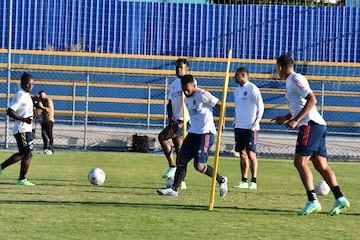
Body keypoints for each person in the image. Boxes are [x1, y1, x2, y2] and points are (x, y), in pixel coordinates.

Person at [272, 55, 350, 215]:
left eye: (277, 68)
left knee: (300, 162)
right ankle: (340, 198)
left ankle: (312, 200)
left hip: (310, 125)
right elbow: (299, 104)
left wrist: (296, 120)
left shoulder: (294, 78)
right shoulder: (292, 81)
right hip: (316, 125)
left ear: (279, 67)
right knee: (321, 165)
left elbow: (312, 100)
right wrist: (287, 117)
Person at [157, 74, 228, 197]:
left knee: (199, 166)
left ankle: (221, 180)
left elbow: (221, 105)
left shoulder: (202, 94)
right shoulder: (186, 99)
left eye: (188, 89)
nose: (185, 91)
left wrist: (221, 121)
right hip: (193, 133)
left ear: (194, 85)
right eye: (183, 89)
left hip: (206, 133)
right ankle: (174, 189)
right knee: (181, 160)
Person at [158, 58, 190, 189]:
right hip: (175, 119)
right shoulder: (173, 84)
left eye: (180, 67)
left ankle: (172, 166)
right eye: (176, 67)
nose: (178, 69)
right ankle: (181, 180)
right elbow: (170, 103)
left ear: (186, 69)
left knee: (162, 137)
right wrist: (170, 117)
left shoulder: (189, 81)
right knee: (179, 148)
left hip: (184, 120)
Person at [0, 72, 36, 185]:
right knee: (28, 154)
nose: (30, 86)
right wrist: (24, 120)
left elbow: (25, 110)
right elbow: (10, 111)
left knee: (22, 154)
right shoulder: (20, 94)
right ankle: (21, 179)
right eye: (28, 84)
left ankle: (1, 167)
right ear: (22, 83)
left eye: (32, 84)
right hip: (22, 129)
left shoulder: (26, 95)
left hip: (26, 128)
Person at [232, 67, 264, 190]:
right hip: (239, 126)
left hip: (250, 127)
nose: (235, 77)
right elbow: (238, 107)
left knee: (251, 154)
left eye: (238, 75)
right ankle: (244, 180)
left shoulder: (252, 88)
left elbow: (260, 106)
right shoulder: (237, 90)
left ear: (244, 75)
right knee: (242, 154)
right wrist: (235, 121)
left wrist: (256, 122)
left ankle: (254, 181)